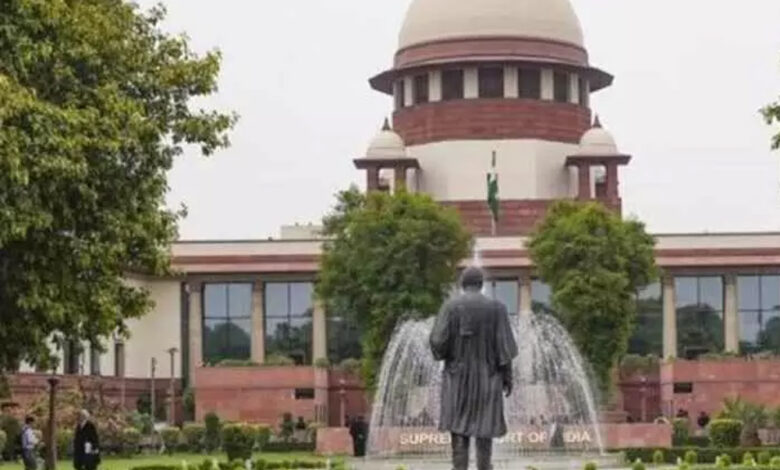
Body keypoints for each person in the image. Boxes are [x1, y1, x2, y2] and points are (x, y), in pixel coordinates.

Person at [429, 267, 519, 470]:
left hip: (457, 380)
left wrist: (447, 354)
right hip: (489, 379)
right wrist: (508, 378)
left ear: (463, 284)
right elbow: (505, 349)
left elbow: (437, 341)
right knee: (485, 431)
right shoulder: (497, 308)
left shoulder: (450, 307)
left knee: (459, 431)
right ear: (481, 284)